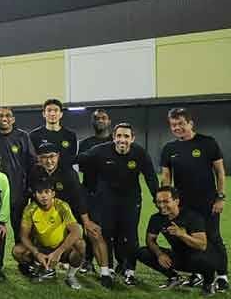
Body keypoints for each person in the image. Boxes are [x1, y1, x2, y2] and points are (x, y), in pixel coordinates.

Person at [78, 123, 158, 286]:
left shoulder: (140, 153)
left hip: (131, 200)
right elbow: (80, 159)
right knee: (106, 233)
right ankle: (108, 270)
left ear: (132, 138)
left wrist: (158, 199)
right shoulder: (101, 150)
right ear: (114, 137)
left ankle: (129, 271)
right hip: (106, 200)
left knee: (130, 236)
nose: (122, 139)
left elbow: (151, 177)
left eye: (126, 136)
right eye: (119, 136)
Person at [160, 107, 228, 292]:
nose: (177, 127)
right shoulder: (169, 149)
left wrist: (220, 197)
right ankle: (197, 274)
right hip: (183, 206)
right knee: (187, 238)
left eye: (181, 123)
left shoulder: (208, 143)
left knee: (213, 238)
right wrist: (167, 202)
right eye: (173, 125)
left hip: (208, 203)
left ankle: (222, 276)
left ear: (191, 123)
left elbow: (220, 173)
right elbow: (166, 178)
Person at [29, 143, 106, 277]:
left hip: (71, 213)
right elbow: (33, 196)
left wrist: (86, 222)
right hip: (48, 215)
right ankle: (46, 267)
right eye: (44, 157)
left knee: (85, 240)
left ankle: (91, 272)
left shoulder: (69, 173)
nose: (49, 161)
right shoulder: (35, 172)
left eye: (52, 156)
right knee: (40, 240)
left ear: (58, 156)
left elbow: (79, 199)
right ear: (38, 159)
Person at [135, 187, 222, 296]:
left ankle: (208, 283)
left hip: (200, 257)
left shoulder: (192, 217)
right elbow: (150, 240)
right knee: (142, 252)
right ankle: (174, 277)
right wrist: (160, 254)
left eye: (166, 201)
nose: (161, 205)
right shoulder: (156, 218)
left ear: (176, 201)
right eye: (158, 202)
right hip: (178, 256)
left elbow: (202, 245)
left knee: (206, 260)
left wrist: (182, 235)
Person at [12, 180, 85, 290]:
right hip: (41, 248)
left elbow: (76, 231)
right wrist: (36, 253)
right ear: (35, 195)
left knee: (80, 244)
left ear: (53, 194)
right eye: (40, 193)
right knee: (17, 251)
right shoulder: (30, 209)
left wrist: (58, 252)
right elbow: (23, 236)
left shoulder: (62, 206)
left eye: (47, 192)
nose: (44, 196)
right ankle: (42, 268)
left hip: (62, 249)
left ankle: (71, 276)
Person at [0, 107, 35, 242]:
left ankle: (24, 262)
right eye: (0, 116)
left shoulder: (22, 136)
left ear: (13, 119)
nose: (4, 119)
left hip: (18, 192)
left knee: (22, 231)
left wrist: (29, 187)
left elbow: (32, 163)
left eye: (7, 116)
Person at [76, 108, 112, 271]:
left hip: (112, 193)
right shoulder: (85, 144)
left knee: (110, 230)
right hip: (89, 192)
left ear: (109, 121)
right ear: (92, 122)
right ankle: (87, 261)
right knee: (88, 228)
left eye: (103, 118)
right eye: (96, 118)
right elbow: (81, 167)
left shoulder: (116, 140)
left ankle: (112, 265)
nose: (100, 120)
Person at [29, 98, 79, 166]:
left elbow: (72, 159)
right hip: (43, 176)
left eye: (56, 110)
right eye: (49, 110)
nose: (52, 114)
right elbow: (33, 160)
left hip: (65, 175)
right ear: (44, 114)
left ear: (61, 114)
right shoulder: (33, 135)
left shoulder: (70, 135)